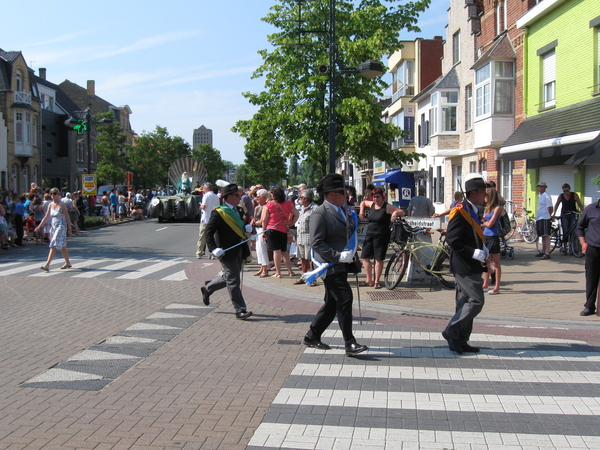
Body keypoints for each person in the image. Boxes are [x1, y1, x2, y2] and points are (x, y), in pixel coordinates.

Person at [302, 173, 369, 356]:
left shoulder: (343, 210)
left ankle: (312, 335)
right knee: (345, 298)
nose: (346, 196)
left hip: (341, 264)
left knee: (332, 303)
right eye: (343, 193)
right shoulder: (320, 214)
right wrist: (338, 256)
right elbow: (317, 243)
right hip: (329, 266)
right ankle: (350, 343)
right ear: (331, 194)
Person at [442, 177, 488, 355]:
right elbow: (452, 239)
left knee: (463, 303)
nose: (485, 195)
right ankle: (451, 330)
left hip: (472, 264)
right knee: (476, 301)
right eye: (483, 192)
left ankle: (460, 340)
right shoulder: (461, 210)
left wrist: (482, 248)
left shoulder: (473, 210)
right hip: (464, 264)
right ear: (473, 193)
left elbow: (473, 235)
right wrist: (473, 252)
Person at [201, 183, 253, 320]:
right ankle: (240, 309)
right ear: (228, 197)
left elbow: (242, 225)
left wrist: (247, 227)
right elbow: (208, 232)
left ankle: (208, 288)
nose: (239, 198)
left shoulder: (240, 210)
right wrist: (213, 249)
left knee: (230, 277)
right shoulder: (219, 212)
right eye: (237, 195)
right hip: (226, 251)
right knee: (234, 281)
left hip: (240, 249)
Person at [358, 187, 404, 289]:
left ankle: (377, 281)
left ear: (382, 196)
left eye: (377, 197)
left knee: (378, 259)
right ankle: (369, 280)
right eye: (374, 197)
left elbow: (402, 212)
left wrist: (395, 213)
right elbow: (363, 203)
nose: (375, 199)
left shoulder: (387, 206)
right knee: (365, 257)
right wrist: (361, 212)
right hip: (369, 233)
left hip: (381, 235)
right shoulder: (372, 204)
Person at [260, 186, 299, 278]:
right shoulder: (289, 203)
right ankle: (290, 271)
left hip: (272, 229)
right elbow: (297, 214)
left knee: (276, 251)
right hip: (283, 229)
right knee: (284, 251)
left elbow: (264, 219)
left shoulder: (269, 204)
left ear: (274, 194)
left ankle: (278, 272)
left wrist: (263, 231)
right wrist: (290, 224)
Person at [35, 188, 73, 271]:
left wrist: (70, 229)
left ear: (58, 194)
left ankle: (47, 265)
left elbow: (67, 217)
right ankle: (68, 263)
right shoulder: (50, 204)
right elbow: (46, 216)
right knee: (61, 245)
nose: (52, 195)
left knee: (53, 244)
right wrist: (39, 226)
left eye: (54, 193)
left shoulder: (62, 204)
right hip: (53, 225)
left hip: (61, 225)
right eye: (51, 193)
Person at [576, 197, 600, 316]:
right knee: (591, 279)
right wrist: (583, 243)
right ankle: (590, 306)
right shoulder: (591, 209)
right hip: (593, 249)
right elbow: (580, 227)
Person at [481, 188, 504, 295]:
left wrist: (484, 223)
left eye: (486, 196)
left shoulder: (498, 208)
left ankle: (497, 287)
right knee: (486, 261)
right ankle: (485, 284)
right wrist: (484, 223)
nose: (484, 197)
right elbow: (483, 221)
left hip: (493, 236)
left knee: (496, 263)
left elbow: (490, 224)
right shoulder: (487, 209)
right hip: (485, 236)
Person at [293, 189, 318, 286]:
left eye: (301, 197)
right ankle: (303, 277)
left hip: (310, 238)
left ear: (306, 198)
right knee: (303, 258)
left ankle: (313, 279)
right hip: (301, 238)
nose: (299, 199)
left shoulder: (315, 209)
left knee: (312, 259)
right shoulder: (302, 209)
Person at [552, 183, 584, 254]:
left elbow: (580, 204)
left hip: (573, 214)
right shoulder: (561, 196)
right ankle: (565, 248)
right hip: (564, 215)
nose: (566, 192)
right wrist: (554, 214)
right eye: (564, 191)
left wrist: (584, 212)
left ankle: (572, 248)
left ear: (569, 189)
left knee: (573, 232)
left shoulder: (574, 195)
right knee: (565, 231)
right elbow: (557, 204)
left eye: (567, 190)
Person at [196, 182, 220, 258]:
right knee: (213, 237)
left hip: (206, 218)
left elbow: (203, 206)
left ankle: (199, 252)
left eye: (203, 188)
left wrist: (200, 205)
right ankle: (213, 253)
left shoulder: (206, 196)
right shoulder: (216, 196)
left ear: (207, 188)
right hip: (214, 219)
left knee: (202, 236)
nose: (203, 189)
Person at [251, 189, 270, 277]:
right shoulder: (257, 207)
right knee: (258, 250)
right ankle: (261, 267)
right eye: (256, 196)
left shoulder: (266, 206)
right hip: (257, 229)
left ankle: (265, 269)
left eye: (258, 196)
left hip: (263, 229)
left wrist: (254, 222)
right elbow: (255, 219)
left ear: (264, 197)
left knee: (263, 249)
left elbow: (262, 221)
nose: (257, 198)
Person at [535, 181, 553, 260]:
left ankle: (547, 252)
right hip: (540, 218)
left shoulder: (546, 196)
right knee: (542, 235)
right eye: (538, 186)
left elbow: (550, 207)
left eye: (541, 186)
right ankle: (543, 251)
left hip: (545, 217)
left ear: (544, 187)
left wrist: (549, 215)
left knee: (546, 235)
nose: (539, 188)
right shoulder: (540, 195)